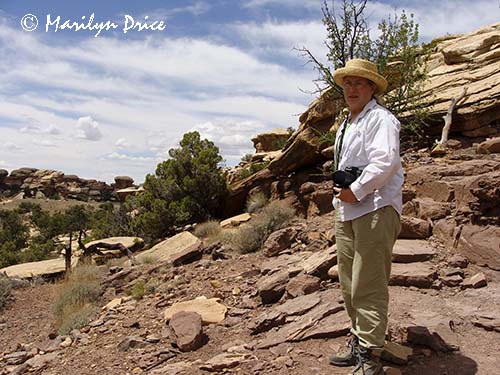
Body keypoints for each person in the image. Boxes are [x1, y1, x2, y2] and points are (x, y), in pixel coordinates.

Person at [329, 59, 404, 375]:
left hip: (375, 208)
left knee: (368, 283)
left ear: (372, 87)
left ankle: (370, 357)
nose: (351, 88)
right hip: (347, 210)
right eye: (347, 83)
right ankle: (360, 341)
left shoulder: (381, 119)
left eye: (359, 82)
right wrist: (345, 191)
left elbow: (385, 162)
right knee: (349, 283)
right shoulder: (348, 123)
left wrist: (355, 189)